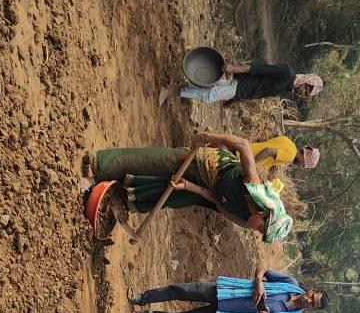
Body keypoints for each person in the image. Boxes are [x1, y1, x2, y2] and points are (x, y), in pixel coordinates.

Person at [91, 132, 293, 244]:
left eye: (260, 232)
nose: (255, 230)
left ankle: (116, 196)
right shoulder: (252, 183)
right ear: (264, 213)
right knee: (156, 161)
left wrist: (187, 186)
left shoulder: (244, 220)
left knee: (165, 193)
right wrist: (208, 137)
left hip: (206, 189)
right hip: (205, 163)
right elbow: (243, 144)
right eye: (260, 227)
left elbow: (214, 199)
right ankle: (100, 165)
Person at [129, 268, 327, 313]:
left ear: (312, 309)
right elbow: (264, 270)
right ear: (312, 290)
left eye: (312, 304)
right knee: (180, 290)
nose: (309, 300)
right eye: (313, 297)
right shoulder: (290, 283)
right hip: (224, 292)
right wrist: (259, 282)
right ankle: (142, 298)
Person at [178, 64, 324, 106]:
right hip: (241, 84)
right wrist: (234, 69)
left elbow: (259, 93)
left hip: (240, 91)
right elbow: (259, 69)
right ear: (306, 80)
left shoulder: (286, 88)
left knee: (209, 89)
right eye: (306, 87)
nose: (303, 91)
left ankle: (181, 88)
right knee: (208, 96)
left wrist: (235, 100)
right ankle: (176, 91)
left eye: (306, 93)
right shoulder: (287, 73)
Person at [250, 137, 320, 172]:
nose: (300, 165)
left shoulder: (289, 142)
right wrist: (251, 165)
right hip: (248, 157)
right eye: (303, 164)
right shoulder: (290, 155)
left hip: (249, 148)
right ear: (303, 158)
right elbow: (268, 150)